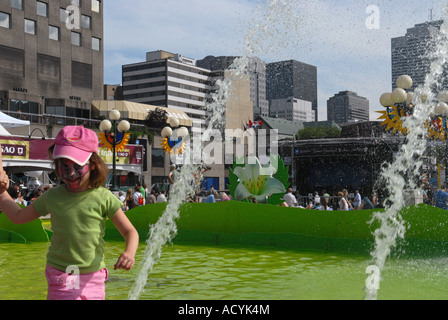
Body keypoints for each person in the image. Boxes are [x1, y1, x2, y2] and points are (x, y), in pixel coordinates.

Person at [0, 125, 139, 300]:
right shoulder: (52, 197)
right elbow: (18, 217)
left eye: (78, 165)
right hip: (62, 274)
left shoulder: (103, 197)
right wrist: (2, 192)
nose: (71, 173)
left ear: (93, 165)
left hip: (93, 278)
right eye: (64, 166)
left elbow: (130, 232)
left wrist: (129, 253)